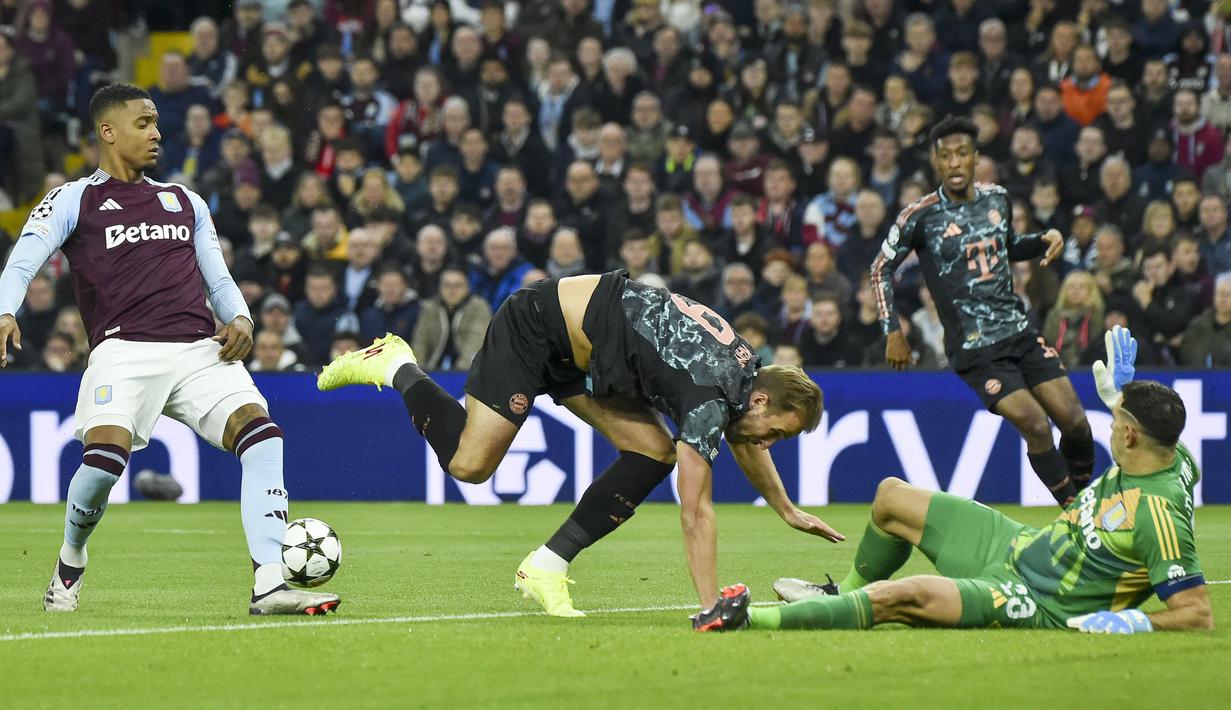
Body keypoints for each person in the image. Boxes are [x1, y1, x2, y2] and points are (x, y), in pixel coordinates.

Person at [317, 270, 839, 616]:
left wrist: (786, 509)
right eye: (778, 433)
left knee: (653, 451)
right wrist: (711, 607)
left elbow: (746, 439)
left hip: (585, 350)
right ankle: (396, 364)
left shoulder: (745, 375)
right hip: (537, 325)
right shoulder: (710, 396)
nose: (769, 444)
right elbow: (695, 511)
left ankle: (546, 565)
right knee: (470, 465)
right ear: (762, 403)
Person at [0, 84, 338, 616]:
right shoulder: (74, 199)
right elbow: (22, 263)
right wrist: (5, 310)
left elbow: (219, 280)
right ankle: (72, 558)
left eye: (157, 122)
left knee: (263, 436)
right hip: (123, 351)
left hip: (200, 351)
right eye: (143, 123)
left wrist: (242, 319)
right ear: (107, 132)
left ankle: (270, 584)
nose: (157, 132)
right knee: (102, 468)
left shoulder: (185, 200)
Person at [694, 331, 1214, 634]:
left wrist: (1138, 623)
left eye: (1114, 415)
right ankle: (841, 590)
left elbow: (1197, 613)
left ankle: (748, 619)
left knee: (902, 595)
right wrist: (1122, 391)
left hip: (1035, 598)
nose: (1108, 420)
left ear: (1127, 435)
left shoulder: (1160, 514)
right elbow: (1157, 437)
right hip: (1018, 544)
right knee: (890, 497)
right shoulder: (1172, 452)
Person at [872, 116, 1094, 506]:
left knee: (1075, 422)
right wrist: (893, 330)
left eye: (962, 154)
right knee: (1035, 424)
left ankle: (1087, 504)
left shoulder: (997, 199)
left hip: (1020, 334)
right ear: (935, 163)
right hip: (976, 349)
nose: (955, 162)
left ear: (976, 158)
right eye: (946, 156)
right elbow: (880, 268)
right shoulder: (920, 216)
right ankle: (1078, 516)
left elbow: (1006, 246)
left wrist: (1043, 240)